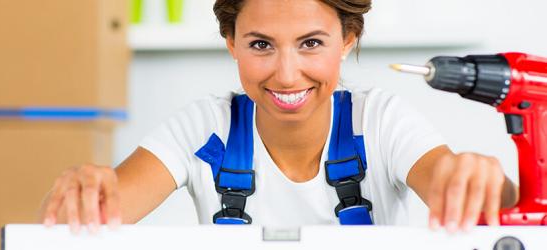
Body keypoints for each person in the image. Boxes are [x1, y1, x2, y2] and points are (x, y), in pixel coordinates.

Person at [40, 0, 519, 234]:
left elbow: (484, 206)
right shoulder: (204, 129)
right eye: (260, 45)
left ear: (347, 39)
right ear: (231, 43)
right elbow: (99, 213)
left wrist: (481, 184)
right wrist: (88, 191)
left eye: (311, 43)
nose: (287, 75)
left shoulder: (381, 123)